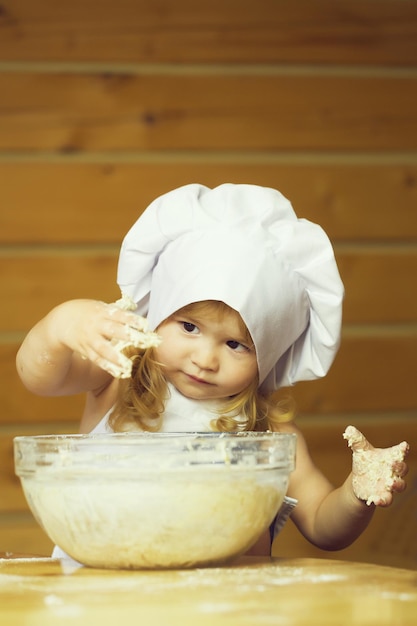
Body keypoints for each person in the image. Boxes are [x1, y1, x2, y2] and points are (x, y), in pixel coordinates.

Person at [16, 183, 409, 558]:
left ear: (267, 357)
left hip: (228, 605)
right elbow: (39, 375)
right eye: (189, 327)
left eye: (236, 344)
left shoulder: (269, 434)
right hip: (103, 596)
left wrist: (358, 494)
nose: (205, 359)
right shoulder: (117, 379)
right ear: (158, 315)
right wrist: (62, 325)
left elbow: (324, 527)